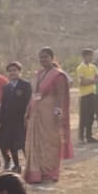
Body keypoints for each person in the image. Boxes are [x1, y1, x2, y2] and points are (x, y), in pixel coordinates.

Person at [23, 48, 72, 184]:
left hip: (49, 113)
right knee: (35, 141)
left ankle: (50, 171)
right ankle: (36, 172)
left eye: (45, 57)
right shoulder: (38, 74)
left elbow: (61, 96)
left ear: (52, 58)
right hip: (36, 112)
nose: (42, 60)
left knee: (50, 142)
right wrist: (28, 110)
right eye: (40, 57)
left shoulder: (58, 75)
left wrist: (57, 113)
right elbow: (34, 94)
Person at [0, 62, 30, 174]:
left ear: (19, 71)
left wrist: (27, 116)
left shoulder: (25, 85)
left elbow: (29, 102)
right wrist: (0, 120)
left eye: (14, 70)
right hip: (8, 120)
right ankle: (16, 165)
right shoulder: (6, 87)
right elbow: (3, 104)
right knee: (10, 144)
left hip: (21, 120)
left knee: (23, 143)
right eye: (10, 71)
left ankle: (30, 164)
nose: (12, 72)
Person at [75, 49, 98, 143]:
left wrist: (89, 80)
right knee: (83, 117)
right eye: (89, 56)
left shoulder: (93, 66)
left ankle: (89, 136)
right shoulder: (80, 67)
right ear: (84, 56)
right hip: (84, 95)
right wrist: (92, 80)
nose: (91, 57)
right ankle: (81, 137)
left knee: (91, 116)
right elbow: (83, 82)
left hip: (93, 93)